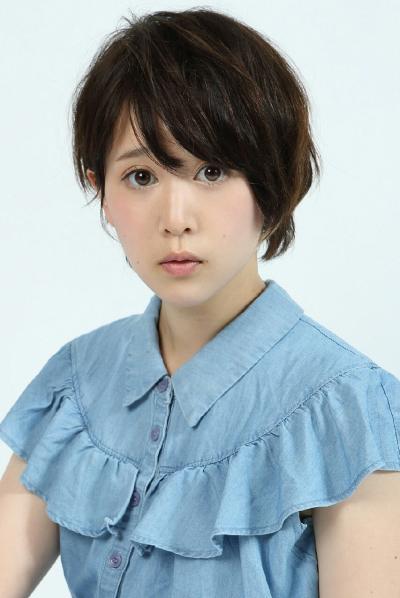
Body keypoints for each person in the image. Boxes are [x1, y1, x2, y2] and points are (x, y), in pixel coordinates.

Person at [1, 7, 399, 597]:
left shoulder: (348, 411)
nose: (176, 219)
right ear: (99, 188)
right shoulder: (77, 383)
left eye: (212, 171)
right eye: (141, 177)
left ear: (271, 183)